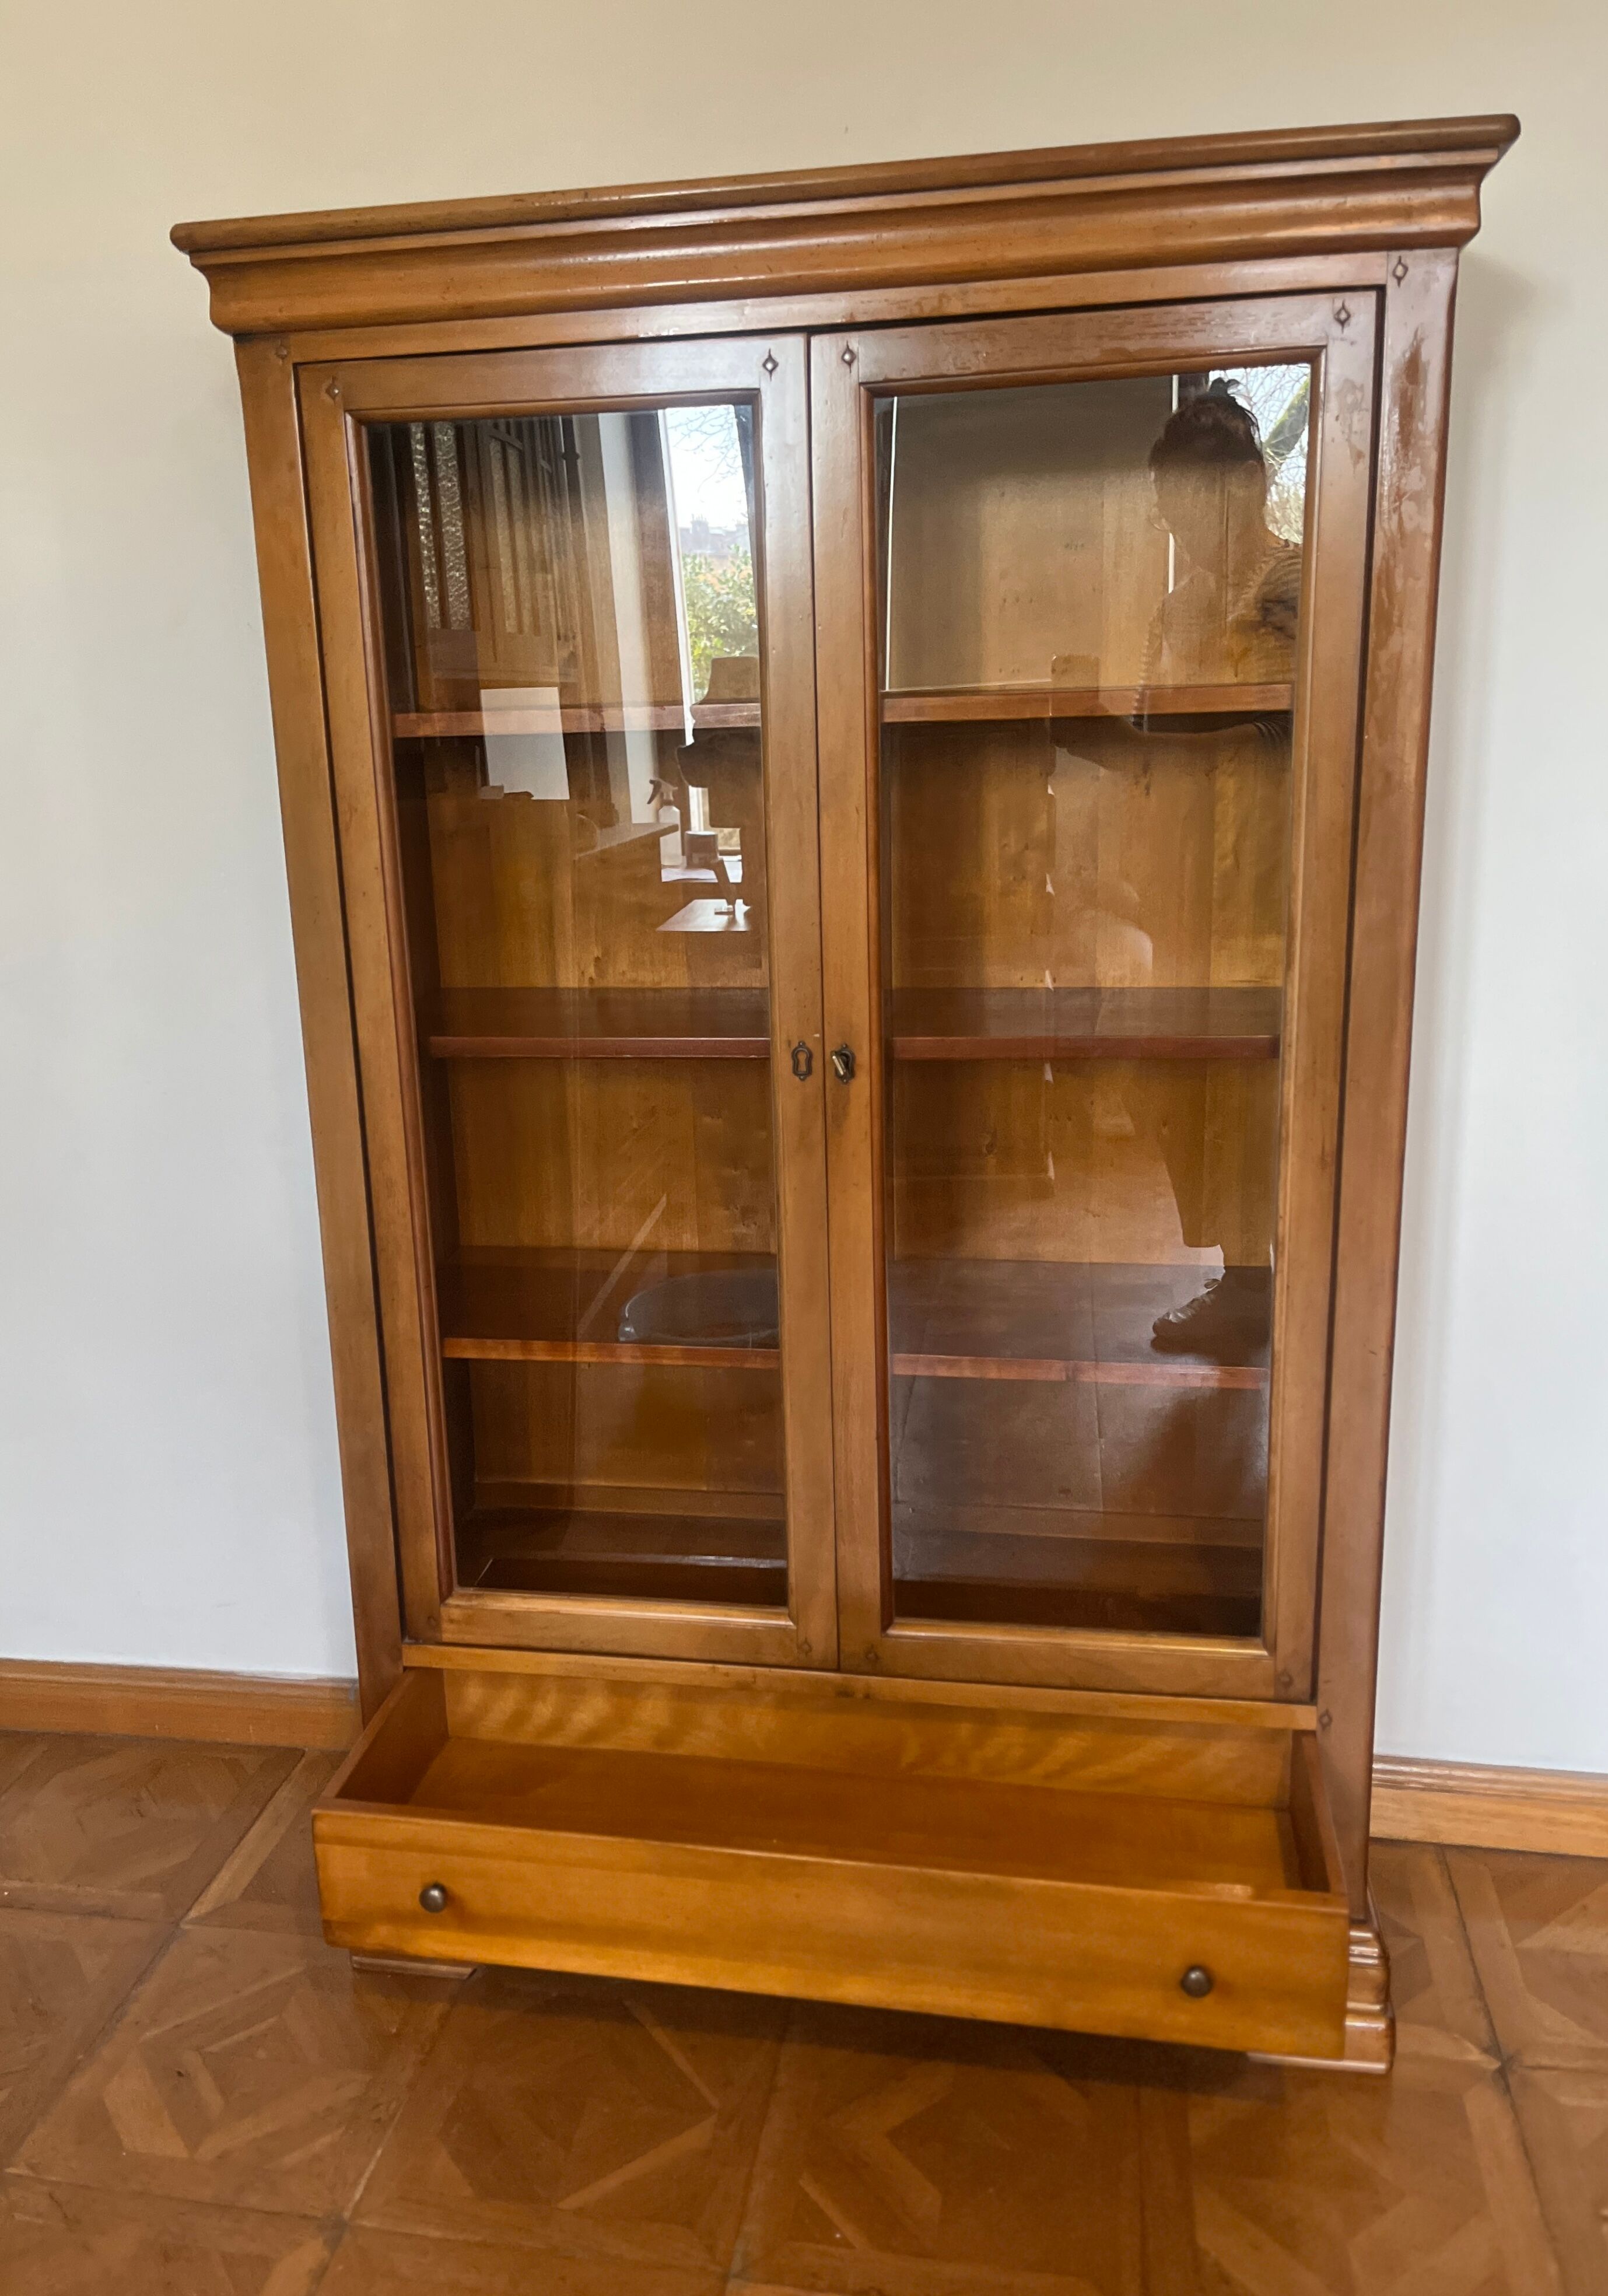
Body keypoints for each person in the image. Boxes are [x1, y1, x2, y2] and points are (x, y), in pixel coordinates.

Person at [1141, 381, 1300, 1357]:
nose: (1184, 529)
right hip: (1186, 876)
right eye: (1168, 513)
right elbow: (1161, 728)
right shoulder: (1177, 603)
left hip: (1275, 873)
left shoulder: (1296, 584)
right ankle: (1244, 1277)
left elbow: (1289, 722)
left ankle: (1295, 1277)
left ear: (1248, 485)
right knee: (1195, 1086)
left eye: (1194, 505)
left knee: (1270, 1081)